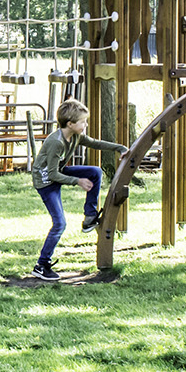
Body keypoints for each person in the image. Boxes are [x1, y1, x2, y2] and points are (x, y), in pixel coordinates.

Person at [27, 98, 125, 280]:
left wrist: (119, 148)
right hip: (46, 181)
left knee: (95, 172)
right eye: (83, 122)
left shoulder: (76, 136)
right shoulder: (56, 142)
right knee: (60, 223)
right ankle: (41, 265)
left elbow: (96, 143)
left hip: (57, 172)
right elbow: (53, 174)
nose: (86, 125)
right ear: (70, 124)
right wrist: (77, 181)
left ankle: (89, 217)